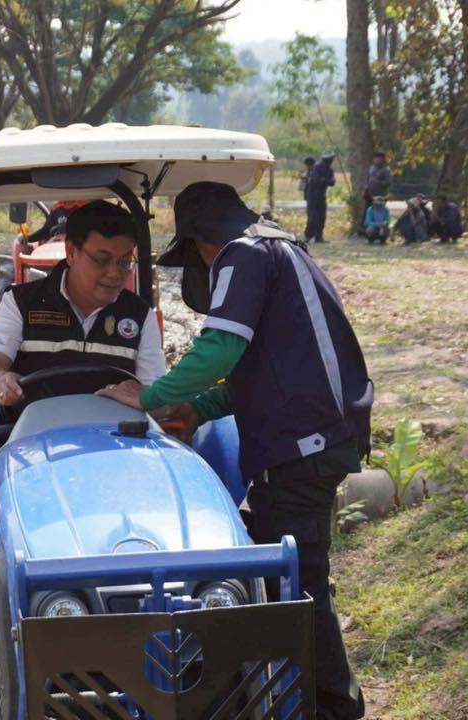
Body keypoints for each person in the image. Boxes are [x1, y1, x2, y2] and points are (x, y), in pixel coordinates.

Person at [99, 181, 372, 720]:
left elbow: (220, 347)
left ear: (202, 241)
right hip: (320, 432)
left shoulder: (243, 253)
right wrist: (198, 409)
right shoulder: (283, 247)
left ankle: (332, 707)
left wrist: (149, 397)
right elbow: (258, 370)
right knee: (288, 569)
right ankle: (300, 694)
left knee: (300, 582)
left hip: (303, 442)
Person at [0, 200, 166, 646]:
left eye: (125, 262)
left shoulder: (138, 315)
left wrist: (148, 398)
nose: (115, 273)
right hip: (32, 439)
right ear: (71, 253)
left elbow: (156, 391)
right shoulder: (23, 302)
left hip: (116, 444)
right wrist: (0, 380)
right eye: (102, 260)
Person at [305, 151, 336, 243]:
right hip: (312, 195)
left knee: (322, 217)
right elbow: (315, 180)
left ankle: (319, 237)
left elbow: (333, 182)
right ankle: (308, 236)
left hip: (322, 196)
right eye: (329, 159)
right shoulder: (317, 167)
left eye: (331, 159)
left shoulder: (330, 170)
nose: (330, 161)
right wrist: (326, 180)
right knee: (313, 217)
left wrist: (324, 180)